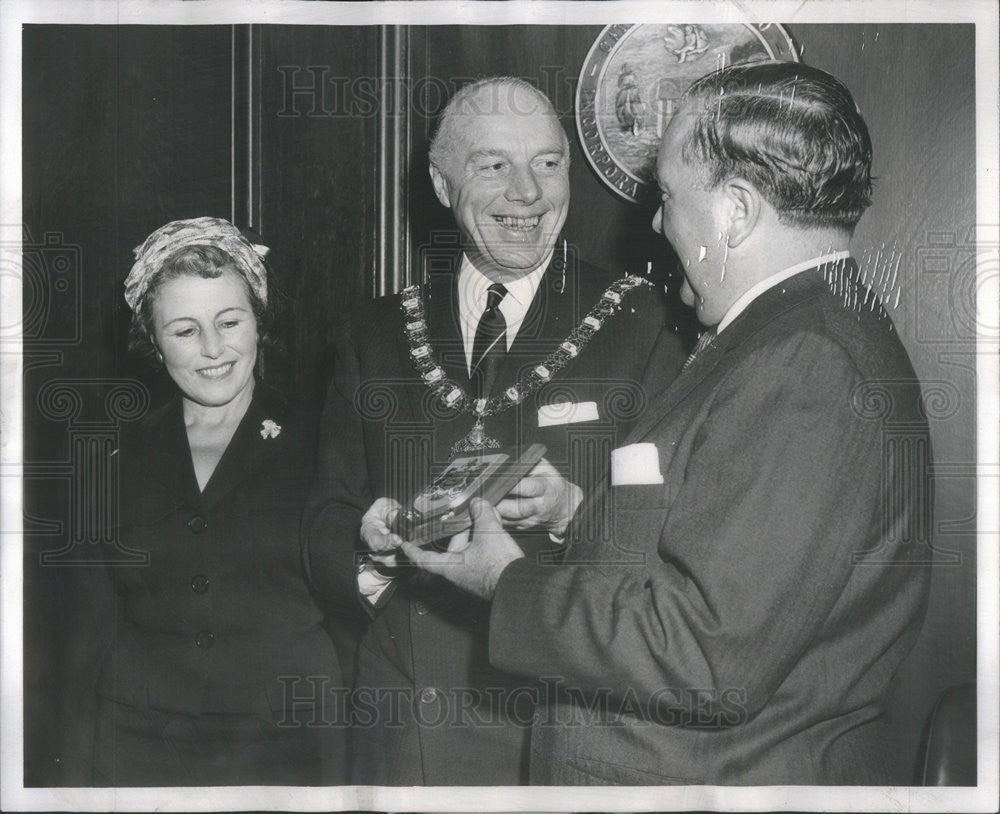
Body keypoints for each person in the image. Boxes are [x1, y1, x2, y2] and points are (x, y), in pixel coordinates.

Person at [402, 61, 933, 785]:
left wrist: (508, 581)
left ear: (736, 213)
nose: (655, 222)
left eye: (669, 198)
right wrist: (576, 517)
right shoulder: (804, 332)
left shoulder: (806, 357)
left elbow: (707, 656)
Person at [303, 77, 685, 785]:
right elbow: (322, 515)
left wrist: (574, 512)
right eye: (493, 165)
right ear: (443, 186)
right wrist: (374, 544)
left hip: (553, 723)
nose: (527, 193)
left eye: (546, 163)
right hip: (402, 724)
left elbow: (676, 544)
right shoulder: (375, 333)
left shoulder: (642, 324)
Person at [93, 217, 345, 785]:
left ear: (259, 323)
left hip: (285, 738)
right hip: (140, 735)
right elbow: (88, 617)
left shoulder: (323, 439)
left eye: (229, 322)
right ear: (153, 343)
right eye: (183, 330)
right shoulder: (113, 452)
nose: (213, 349)